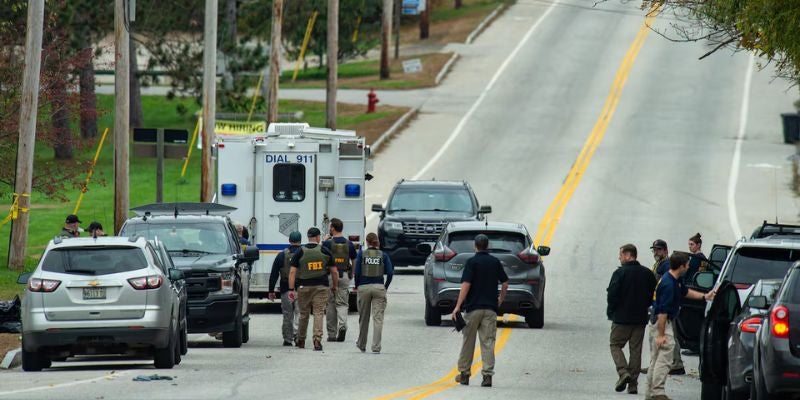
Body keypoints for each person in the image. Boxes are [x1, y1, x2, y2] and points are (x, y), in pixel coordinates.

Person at [644, 252, 715, 400]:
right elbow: (663, 312)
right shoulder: (669, 284)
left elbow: (685, 292)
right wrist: (661, 335)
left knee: (656, 360)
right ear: (681, 266)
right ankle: (657, 393)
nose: (689, 266)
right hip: (662, 323)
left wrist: (704, 296)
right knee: (664, 360)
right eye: (687, 264)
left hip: (659, 321)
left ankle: (650, 393)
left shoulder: (674, 280)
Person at [452, 234, 509, 388]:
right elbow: (505, 283)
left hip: (473, 309)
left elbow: (466, 284)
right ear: (487, 245)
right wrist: (500, 300)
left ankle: (464, 375)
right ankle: (487, 376)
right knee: (488, 343)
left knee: (468, 342)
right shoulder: (495, 262)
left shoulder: (472, 262)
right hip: (490, 310)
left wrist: (458, 306)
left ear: (475, 246)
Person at [606, 244, 657, 395]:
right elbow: (653, 294)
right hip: (640, 319)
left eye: (621, 254)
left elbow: (612, 295)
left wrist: (612, 312)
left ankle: (623, 372)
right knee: (636, 351)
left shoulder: (619, 273)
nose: (619, 257)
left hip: (621, 319)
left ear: (628, 255)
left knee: (615, 344)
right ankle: (633, 385)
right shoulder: (647, 273)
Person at [288, 227, 339, 351]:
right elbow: (334, 272)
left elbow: (292, 272)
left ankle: (301, 340)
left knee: (303, 314)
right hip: (321, 287)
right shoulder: (324, 250)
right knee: (318, 313)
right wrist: (334, 286)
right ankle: (317, 340)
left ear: (308, 237)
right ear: (317, 237)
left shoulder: (300, 251)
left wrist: (291, 289)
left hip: (303, 287)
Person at [650, 239, 685, 375]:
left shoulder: (666, 265)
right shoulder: (659, 264)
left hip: (667, 305)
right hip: (662, 303)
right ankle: (673, 364)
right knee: (666, 335)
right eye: (654, 249)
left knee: (668, 335)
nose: (656, 252)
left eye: (659, 249)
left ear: (665, 250)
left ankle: (675, 364)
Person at [354, 232, 394, 354]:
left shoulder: (362, 254)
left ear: (367, 241)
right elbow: (390, 273)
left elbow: (356, 273)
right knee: (378, 319)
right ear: (377, 242)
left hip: (364, 287)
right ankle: (376, 347)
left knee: (363, 318)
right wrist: (385, 286)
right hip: (379, 287)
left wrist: (357, 285)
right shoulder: (383, 255)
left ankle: (361, 344)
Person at [322, 218, 357, 342]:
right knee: (342, 304)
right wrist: (352, 273)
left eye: (330, 227)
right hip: (344, 276)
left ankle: (331, 334)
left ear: (332, 228)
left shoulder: (327, 244)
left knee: (330, 304)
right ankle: (342, 326)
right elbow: (354, 259)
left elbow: (320, 256)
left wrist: (324, 241)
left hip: (330, 277)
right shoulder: (349, 244)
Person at [268, 231, 303, 346]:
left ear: (289, 241)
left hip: (286, 289)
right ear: (300, 240)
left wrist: (271, 290)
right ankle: (298, 336)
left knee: (288, 314)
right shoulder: (304, 254)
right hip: (301, 289)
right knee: (300, 313)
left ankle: (288, 339)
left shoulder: (282, 255)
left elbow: (274, 274)